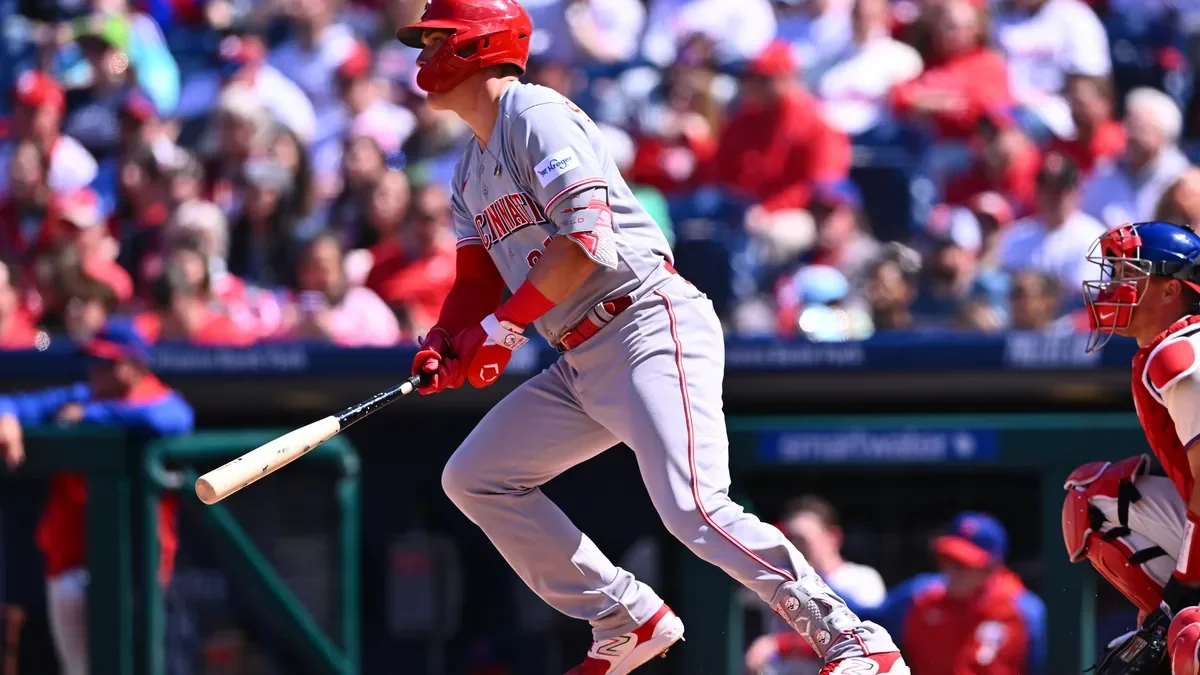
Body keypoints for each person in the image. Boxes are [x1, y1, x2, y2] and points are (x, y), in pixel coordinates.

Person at [397, 2, 909, 674]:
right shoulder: (468, 167)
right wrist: (447, 336)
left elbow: (586, 240)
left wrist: (505, 326)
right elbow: (474, 280)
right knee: (476, 477)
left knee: (695, 507)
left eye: (435, 38)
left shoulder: (534, 114)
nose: (421, 55)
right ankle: (623, 616)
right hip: (578, 355)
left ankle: (852, 636)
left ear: (478, 45)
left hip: (643, 320)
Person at [0, 318, 193, 675]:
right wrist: (6, 418)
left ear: (134, 365)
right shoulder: (81, 395)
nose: (95, 371)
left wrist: (92, 416)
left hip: (142, 567)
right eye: (93, 361)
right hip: (71, 560)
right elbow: (11, 402)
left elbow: (174, 418)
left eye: (107, 362)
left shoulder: (153, 398)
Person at [1064, 220, 1200, 675]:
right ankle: (1169, 624)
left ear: (1171, 289)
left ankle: (1175, 627)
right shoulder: (1170, 346)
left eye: (1129, 274)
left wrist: (1185, 586)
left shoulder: (1180, 353)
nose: (1112, 286)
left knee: (1192, 642)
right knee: (1095, 494)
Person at [874, 513, 1047, 675]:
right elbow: (866, 625)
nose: (951, 571)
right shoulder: (918, 596)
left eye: (964, 564)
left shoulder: (1023, 610)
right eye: (947, 560)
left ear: (991, 567)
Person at [745, 496, 889, 674]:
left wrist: (780, 645)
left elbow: (861, 639)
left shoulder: (861, 579)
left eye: (802, 540)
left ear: (833, 537)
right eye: (791, 540)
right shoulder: (783, 579)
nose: (795, 547)